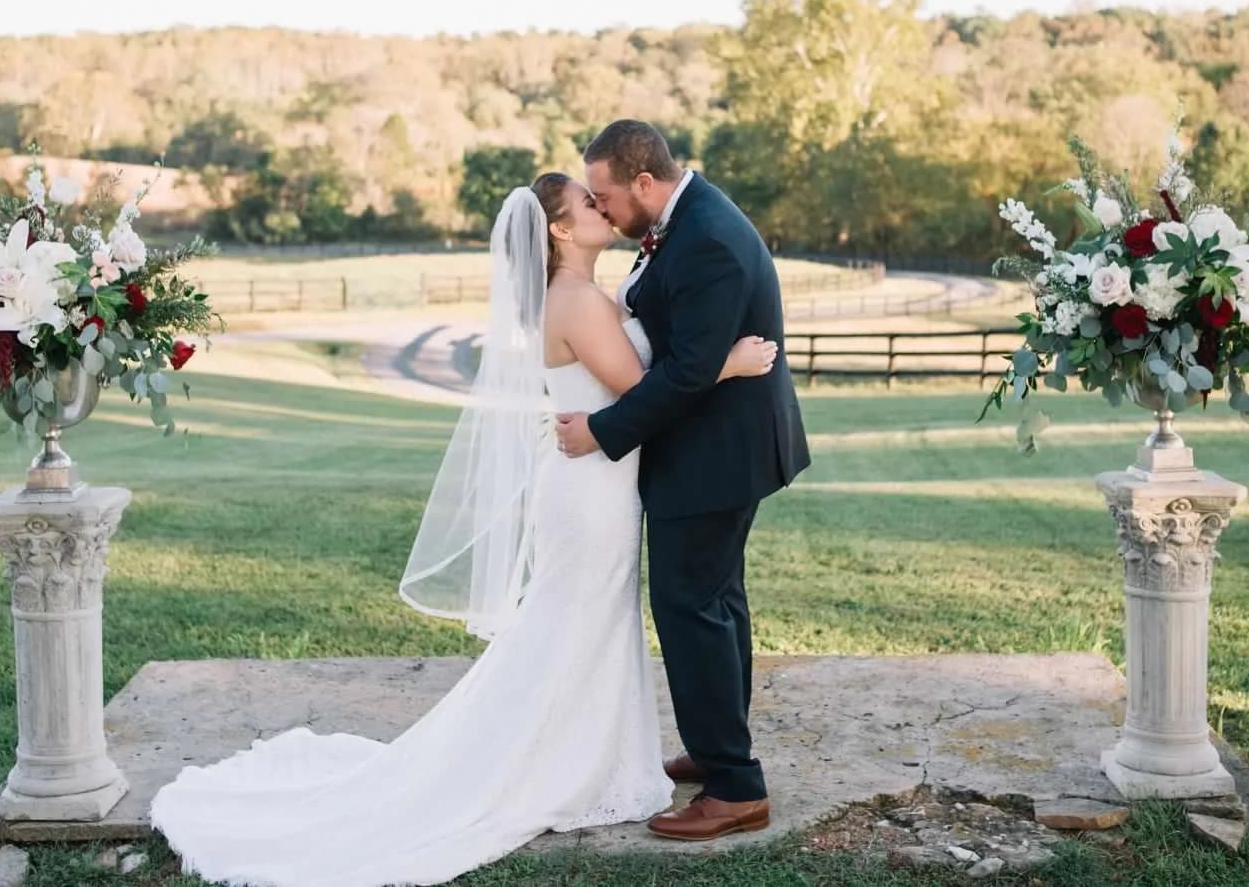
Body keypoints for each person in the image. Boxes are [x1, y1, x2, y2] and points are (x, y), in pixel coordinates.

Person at [149, 174, 779, 887]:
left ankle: (599, 753)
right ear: (563, 232)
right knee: (575, 622)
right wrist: (725, 364)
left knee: (584, 622)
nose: (603, 209)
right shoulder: (574, 300)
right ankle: (548, 763)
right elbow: (644, 390)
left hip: (593, 480)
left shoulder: (581, 295)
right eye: (588, 203)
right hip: (589, 487)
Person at [555, 119, 811, 842]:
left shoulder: (706, 240)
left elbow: (692, 373)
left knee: (690, 606)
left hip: (715, 454)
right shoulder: (687, 217)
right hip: (716, 448)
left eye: (604, 196)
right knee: (716, 601)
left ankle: (734, 787)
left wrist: (601, 433)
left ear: (643, 182)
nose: (601, 210)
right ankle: (716, 749)